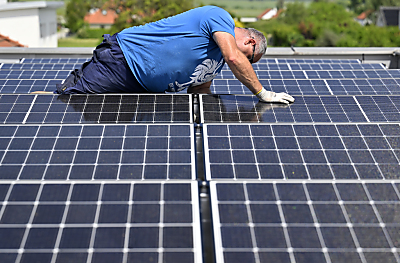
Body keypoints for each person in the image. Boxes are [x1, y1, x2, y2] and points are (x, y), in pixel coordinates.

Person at [43, 5, 294, 104]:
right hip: (124, 62)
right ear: (250, 41)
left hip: (144, 90)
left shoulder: (217, 61)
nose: (246, 63)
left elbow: (199, 91)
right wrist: (262, 93)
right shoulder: (220, 18)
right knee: (66, 101)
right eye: (251, 58)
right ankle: (35, 100)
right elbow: (235, 58)